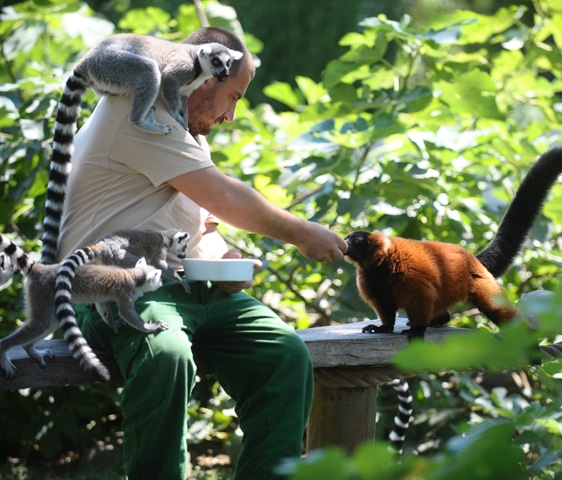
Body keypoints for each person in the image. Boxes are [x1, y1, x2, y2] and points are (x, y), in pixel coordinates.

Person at [56, 26, 347, 479]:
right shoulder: (137, 112)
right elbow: (225, 198)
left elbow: (199, 224)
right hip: (113, 288)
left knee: (285, 355)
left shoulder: (184, 127)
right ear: (208, 78)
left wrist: (222, 256)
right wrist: (300, 233)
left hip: (186, 286)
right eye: (233, 96)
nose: (231, 114)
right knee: (166, 354)